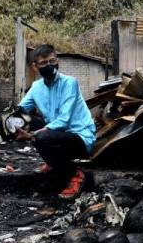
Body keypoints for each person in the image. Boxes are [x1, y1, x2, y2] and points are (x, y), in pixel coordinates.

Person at [17, 44, 96, 199]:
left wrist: (32, 135)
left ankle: (76, 174)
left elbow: (64, 121)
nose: (49, 66)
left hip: (79, 136)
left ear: (57, 60)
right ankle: (53, 162)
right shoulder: (36, 87)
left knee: (41, 137)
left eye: (52, 61)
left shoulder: (70, 83)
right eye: (44, 63)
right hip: (57, 135)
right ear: (35, 67)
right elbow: (18, 112)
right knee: (26, 121)